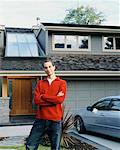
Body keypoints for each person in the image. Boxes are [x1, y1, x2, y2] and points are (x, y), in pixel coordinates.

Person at [26, 58, 67, 150]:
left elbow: (59, 100)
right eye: (45, 68)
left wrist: (43, 96)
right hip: (41, 119)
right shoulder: (40, 83)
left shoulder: (62, 83)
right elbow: (36, 101)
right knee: (30, 145)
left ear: (54, 67)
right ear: (44, 69)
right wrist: (53, 98)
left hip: (55, 120)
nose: (48, 69)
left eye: (50, 67)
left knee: (55, 147)